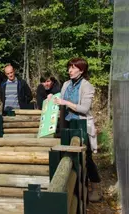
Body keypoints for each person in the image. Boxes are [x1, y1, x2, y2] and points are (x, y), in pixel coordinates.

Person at [49, 57, 101, 202]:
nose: (69, 70)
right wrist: (52, 97)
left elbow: (84, 109)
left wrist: (65, 102)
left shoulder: (87, 86)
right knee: (67, 156)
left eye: (73, 68)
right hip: (66, 124)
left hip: (81, 125)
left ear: (82, 70)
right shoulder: (66, 84)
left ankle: (96, 187)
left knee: (87, 157)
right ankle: (74, 187)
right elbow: (60, 99)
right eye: (69, 67)